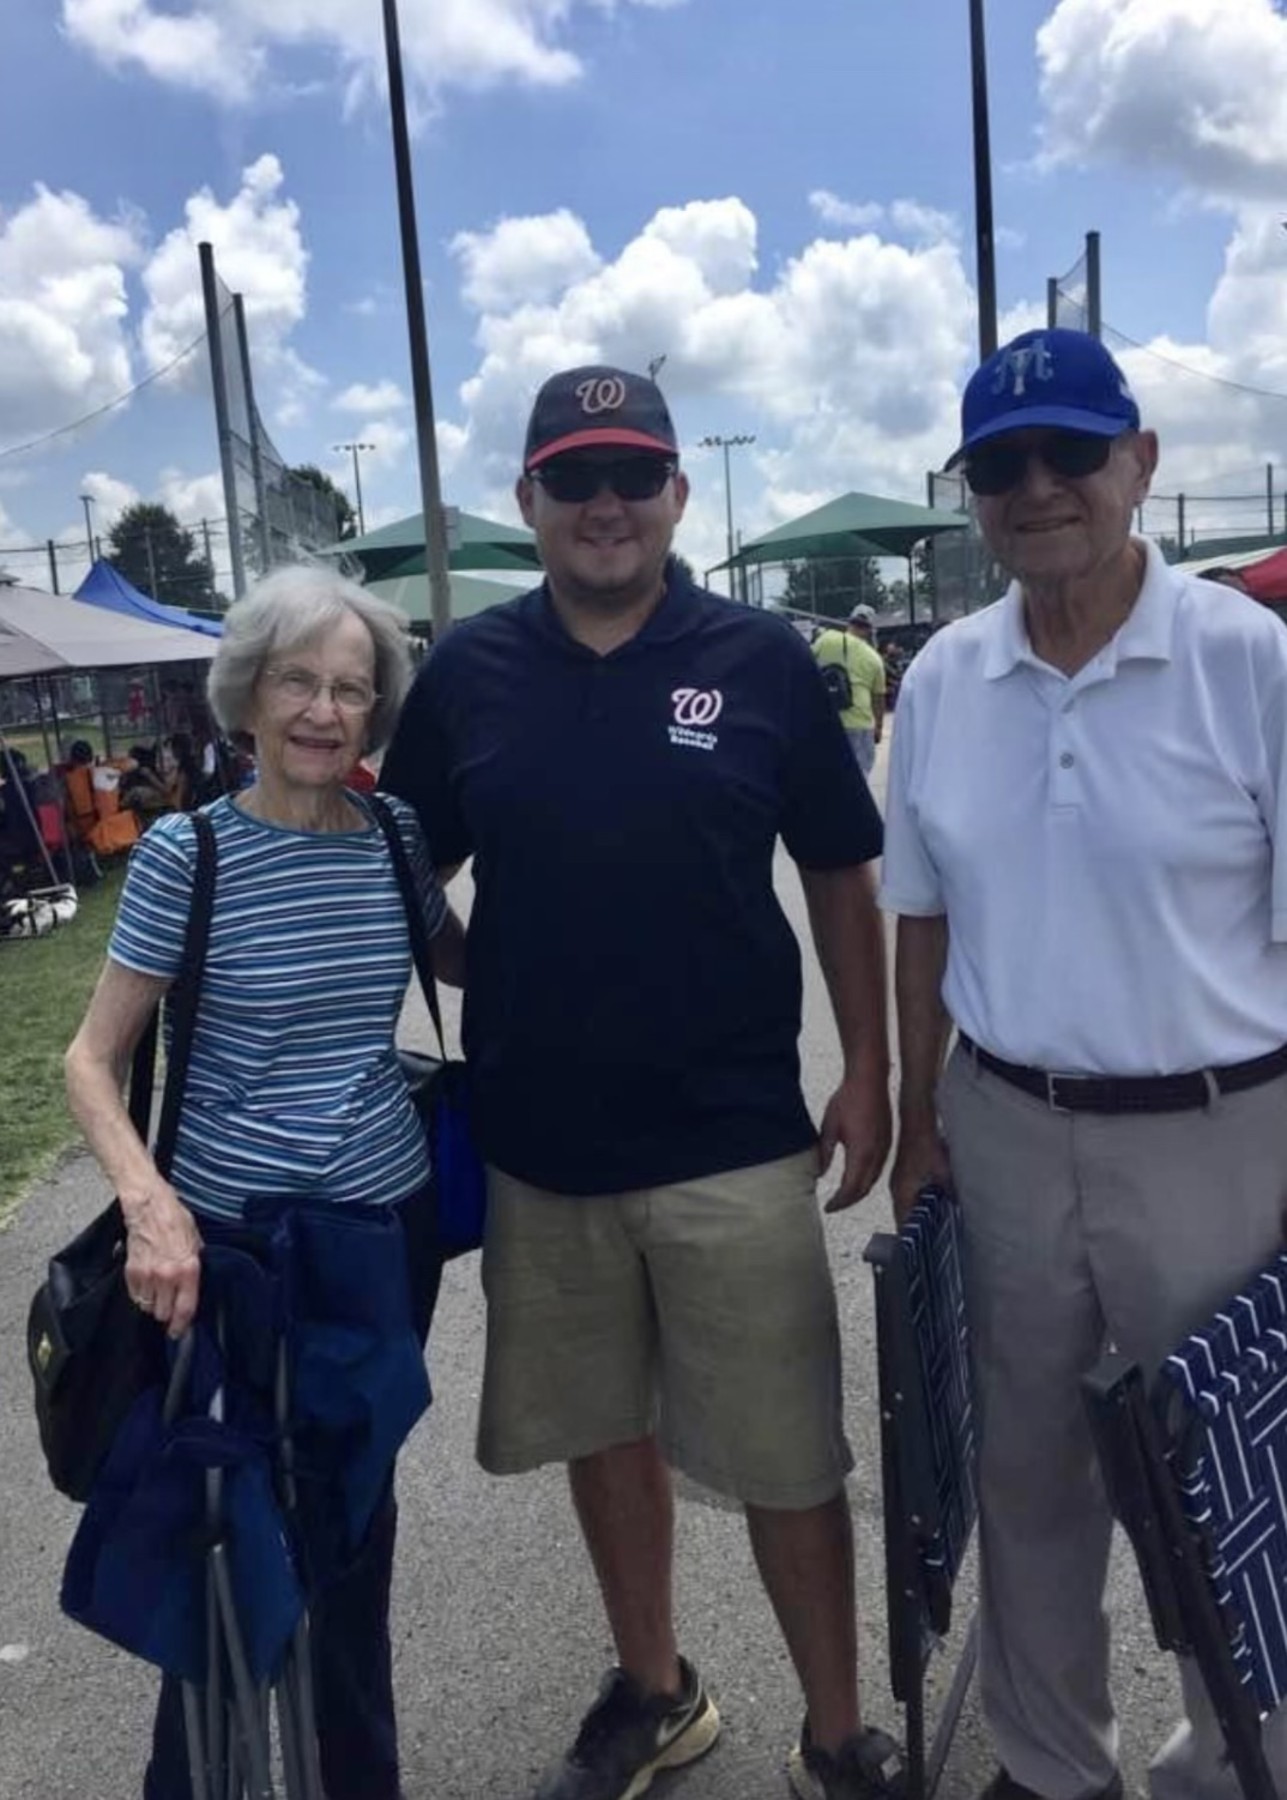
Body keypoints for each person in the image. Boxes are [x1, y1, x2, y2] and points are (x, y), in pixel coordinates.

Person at [381, 365, 900, 1800]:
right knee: (602, 1432)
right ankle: (656, 1691)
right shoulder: (468, 675)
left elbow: (838, 870)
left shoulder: (762, 660)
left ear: (676, 493)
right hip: (542, 1144)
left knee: (788, 1454)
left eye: (632, 476)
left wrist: (866, 1069)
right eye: (573, 479)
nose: (604, 504)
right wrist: (484, 962)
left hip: (735, 1135)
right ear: (529, 500)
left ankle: (836, 1731)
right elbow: (395, 857)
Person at [882, 326, 1287, 1800]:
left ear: (1140, 464)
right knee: (1027, 1472)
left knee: (1231, 1466)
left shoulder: (1248, 661)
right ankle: (1050, 1765)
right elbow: (915, 918)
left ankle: (1241, 1756)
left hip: (1219, 1129)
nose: (1036, 487)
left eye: (1068, 453)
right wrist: (919, 1114)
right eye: (1000, 464)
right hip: (1002, 1119)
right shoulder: (940, 678)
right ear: (972, 494)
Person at [64, 564, 465, 1800]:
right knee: (225, 1541)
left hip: (382, 1238)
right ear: (249, 694)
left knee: (354, 1538)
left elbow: (486, 964)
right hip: (229, 1255)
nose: (324, 710)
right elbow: (90, 1061)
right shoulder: (192, 854)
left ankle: (360, 1782)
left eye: (351, 688)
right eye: (299, 679)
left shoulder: (395, 838)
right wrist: (149, 1202)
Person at [812, 604, 887, 774]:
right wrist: (878, 728)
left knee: (828, 777)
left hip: (826, 721)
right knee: (859, 779)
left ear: (849, 623)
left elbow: (808, 666)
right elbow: (879, 698)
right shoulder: (873, 658)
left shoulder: (826, 639)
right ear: (870, 629)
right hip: (859, 723)